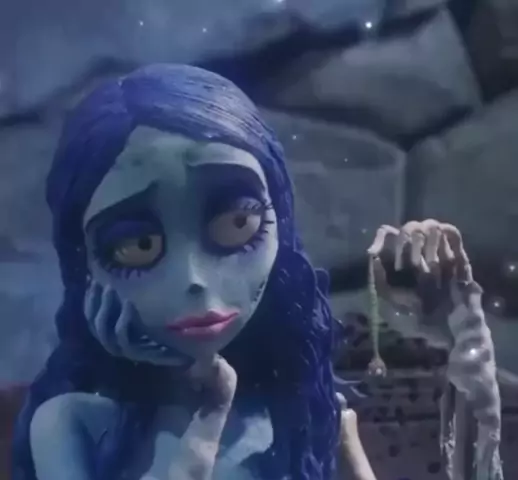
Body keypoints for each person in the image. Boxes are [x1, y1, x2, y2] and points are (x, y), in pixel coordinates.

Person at [11, 64, 498, 480]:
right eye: (139, 246)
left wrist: (465, 336)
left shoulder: (307, 415)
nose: (194, 278)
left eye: (235, 224)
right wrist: (208, 414)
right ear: (85, 266)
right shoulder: (72, 424)